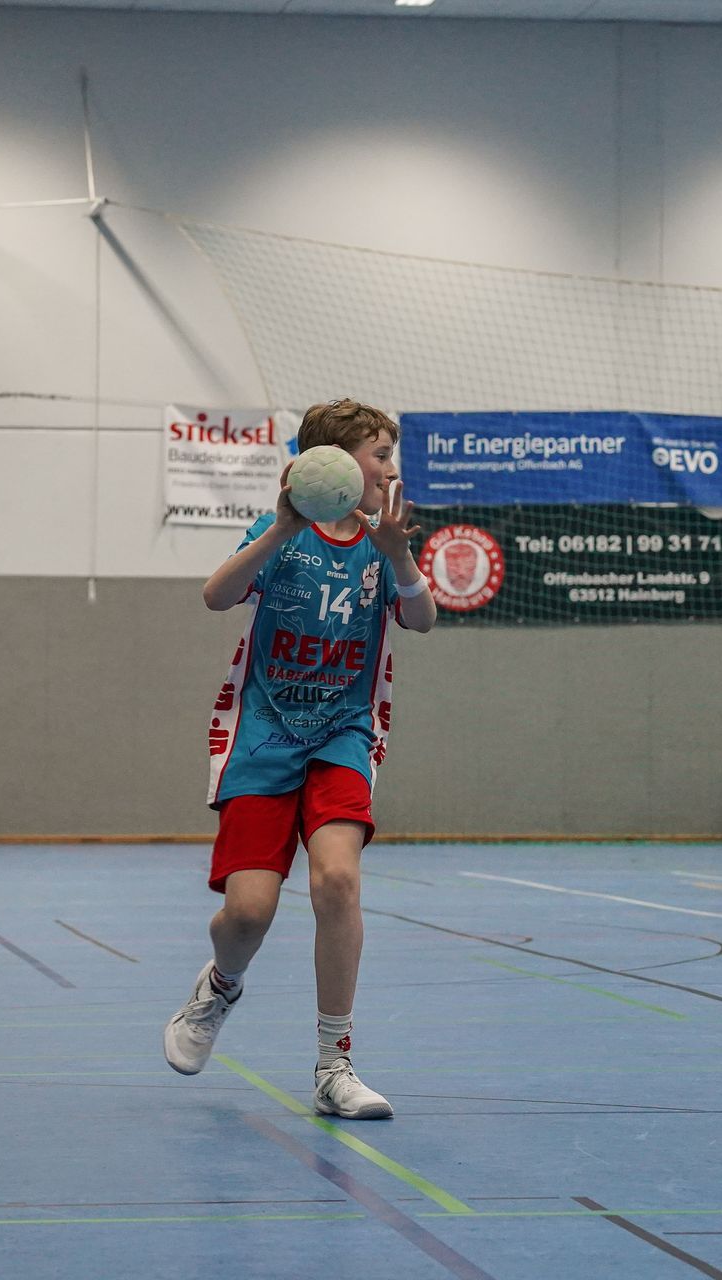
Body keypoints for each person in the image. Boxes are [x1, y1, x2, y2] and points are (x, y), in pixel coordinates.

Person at [164, 399, 437, 1119]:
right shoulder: (280, 533)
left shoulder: (382, 544)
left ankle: (333, 1065)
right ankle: (221, 984)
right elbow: (217, 596)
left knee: (338, 881)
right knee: (248, 914)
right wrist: (281, 527)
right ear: (336, 465)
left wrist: (399, 555)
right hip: (263, 737)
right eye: (381, 456)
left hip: (343, 735)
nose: (391, 471)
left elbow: (422, 618)